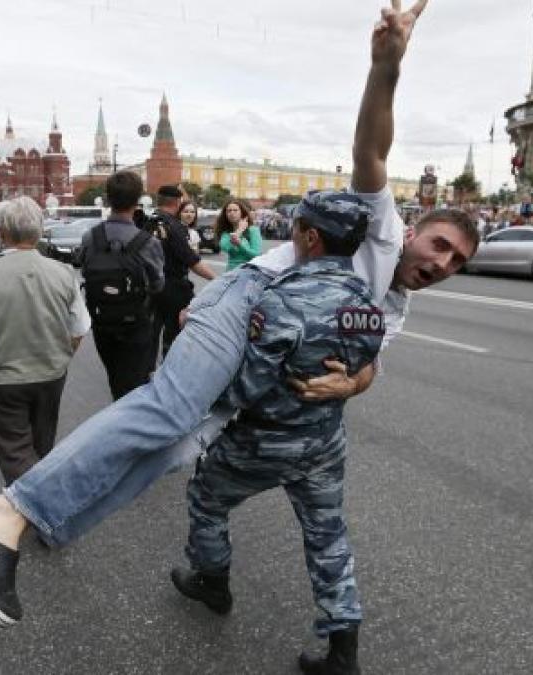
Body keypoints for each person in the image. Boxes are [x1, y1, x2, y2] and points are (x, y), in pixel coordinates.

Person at [0, 0, 471, 631]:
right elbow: (372, 148)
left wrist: (351, 381)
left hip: (263, 362)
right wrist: (387, 67)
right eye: (441, 245)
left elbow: (367, 365)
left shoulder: (395, 303)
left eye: (458, 262)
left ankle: (36, 523)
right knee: (170, 407)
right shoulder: (381, 231)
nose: (445, 263)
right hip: (247, 300)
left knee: (172, 450)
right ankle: (3, 514)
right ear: (416, 233)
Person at [170, 192, 382, 675]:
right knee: (328, 536)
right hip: (325, 442)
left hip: (263, 440)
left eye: (297, 228)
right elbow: (361, 364)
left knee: (207, 497)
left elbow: (245, 387)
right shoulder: (367, 302)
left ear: (310, 236)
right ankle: (343, 651)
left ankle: (213, 582)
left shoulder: (283, 300)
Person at [0, 197, 91, 485]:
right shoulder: (64, 274)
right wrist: (61, 359)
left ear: (1, 233)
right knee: (40, 445)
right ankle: (39, 501)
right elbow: (78, 328)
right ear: (39, 232)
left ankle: (40, 511)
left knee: (15, 453)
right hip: (50, 375)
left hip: (0, 380)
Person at [78, 170, 165, 400]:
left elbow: (85, 271)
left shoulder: (90, 237)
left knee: (116, 380)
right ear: (138, 201)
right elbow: (157, 285)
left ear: (107, 199)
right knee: (134, 388)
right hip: (136, 324)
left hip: (102, 323)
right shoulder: (148, 242)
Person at [150, 186, 217, 366]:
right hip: (173, 289)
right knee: (176, 335)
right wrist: (217, 279)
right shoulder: (174, 226)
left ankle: (145, 375)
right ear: (178, 202)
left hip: (148, 288)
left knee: (150, 336)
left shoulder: (147, 221)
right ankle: (171, 371)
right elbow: (192, 261)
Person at [217, 199, 263, 270]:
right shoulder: (226, 233)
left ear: (242, 213)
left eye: (235, 210)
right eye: (229, 211)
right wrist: (239, 231)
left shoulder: (253, 230)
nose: (232, 213)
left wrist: (240, 245)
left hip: (249, 272)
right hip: (231, 273)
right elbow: (226, 247)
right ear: (225, 214)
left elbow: (256, 254)